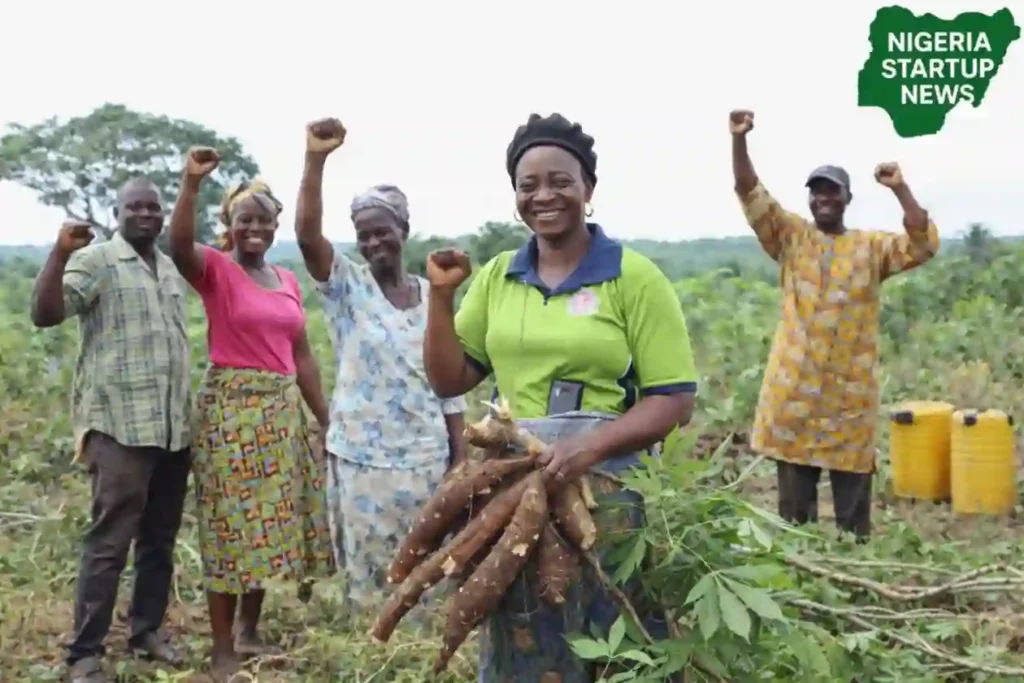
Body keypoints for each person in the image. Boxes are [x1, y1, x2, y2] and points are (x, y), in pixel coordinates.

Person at [422, 113, 699, 682]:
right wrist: (442, 301)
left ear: (589, 190)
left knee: (614, 626)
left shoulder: (633, 277)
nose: (544, 195)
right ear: (516, 197)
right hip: (515, 487)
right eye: (529, 185)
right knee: (523, 624)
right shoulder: (500, 276)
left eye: (561, 181)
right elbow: (451, 379)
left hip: (609, 491)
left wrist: (588, 448)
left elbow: (673, 398)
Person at [729, 109, 939, 539]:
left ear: (846, 199)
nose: (823, 198)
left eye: (832, 192)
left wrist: (900, 189)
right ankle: (799, 578)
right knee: (793, 522)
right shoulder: (791, 238)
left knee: (853, 523)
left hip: (849, 400)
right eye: (816, 192)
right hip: (794, 400)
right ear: (809, 199)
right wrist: (739, 140)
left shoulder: (871, 248)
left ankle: (856, 571)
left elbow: (923, 244)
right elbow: (750, 191)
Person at [167, 147, 335, 680]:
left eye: (264, 220)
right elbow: (176, 245)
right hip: (231, 415)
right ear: (231, 226)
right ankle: (221, 648)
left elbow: (302, 355)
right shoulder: (215, 269)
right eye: (245, 220)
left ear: (275, 225)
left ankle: (250, 632)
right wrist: (191, 183)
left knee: (267, 524)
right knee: (228, 525)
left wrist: (324, 417)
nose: (255, 228)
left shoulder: (286, 280)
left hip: (280, 414)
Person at [293, 118, 468, 610]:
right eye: (363, 236)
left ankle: (417, 659)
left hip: (425, 459)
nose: (372, 244)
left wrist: (459, 457)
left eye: (381, 232)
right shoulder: (347, 287)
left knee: (427, 573)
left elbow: (450, 384)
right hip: (363, 460)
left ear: (403, 231)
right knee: (372, 583)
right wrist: (315, 159)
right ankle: (374, 657)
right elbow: (307, 237)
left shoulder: (435, 294)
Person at [30, 179, 192, 683]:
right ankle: (84, 653)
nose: (146, 214)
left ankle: (145, 631)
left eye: (153, 207)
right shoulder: (96, 261)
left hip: (172, 428)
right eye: (134, 207)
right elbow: (46, 314)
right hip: (120, 426)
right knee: (109, 542)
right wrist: (58, 255)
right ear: (116, 212)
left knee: (159, 539)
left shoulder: (167, 267)